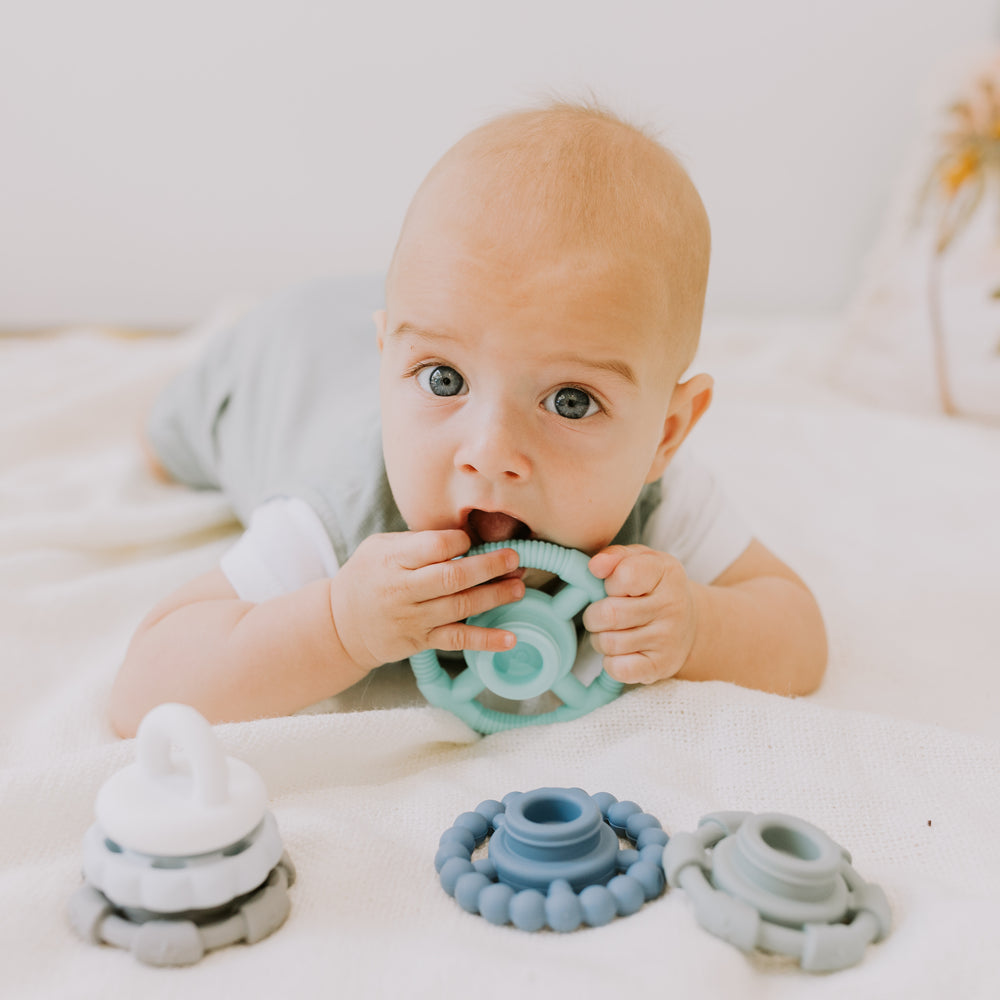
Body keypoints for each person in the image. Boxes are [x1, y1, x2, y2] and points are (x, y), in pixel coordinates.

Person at [110, 101, 827, 737]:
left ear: (665, 436)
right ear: (389, 361)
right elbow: (143, 692)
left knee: (473, 322)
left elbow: (797, 630)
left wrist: (700, 627)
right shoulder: (339, 513)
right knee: (167, 440)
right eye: (444, 380)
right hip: (280, 361)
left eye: (570, 400)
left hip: (392, 331)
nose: (490, 453)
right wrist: (338, 624)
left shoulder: (658, 496)